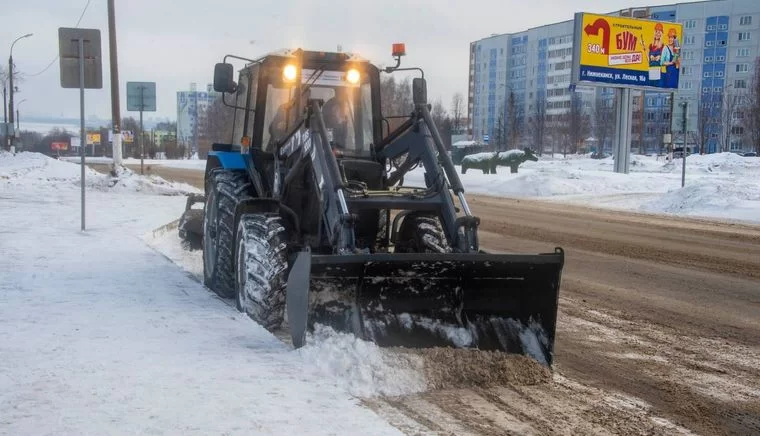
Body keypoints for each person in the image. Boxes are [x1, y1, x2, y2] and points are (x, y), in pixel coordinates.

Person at [321, 86, 354, 151]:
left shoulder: (348, 105)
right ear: (337, 92)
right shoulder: (328, 106)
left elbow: (350, 126)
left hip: (345, 146)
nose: (345, 93)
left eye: (345, 91)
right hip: (331, 147)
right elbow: (325, 127)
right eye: (342, 91)